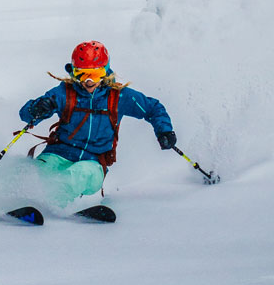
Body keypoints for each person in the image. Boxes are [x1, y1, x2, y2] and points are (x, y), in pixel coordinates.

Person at [19, 40, 176, 209]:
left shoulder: (117, 97)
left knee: (77, 175)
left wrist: (164, 131)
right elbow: (25, 114)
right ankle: (17, 199)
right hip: (58, 153)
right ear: (73, 72)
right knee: (38, 171)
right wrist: (37, 108)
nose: (88, 82)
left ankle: (50, 205)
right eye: (82, 74)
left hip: (93, 163)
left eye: (94, 74)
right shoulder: (64, 93)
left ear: (105, 71)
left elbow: (153, 108)